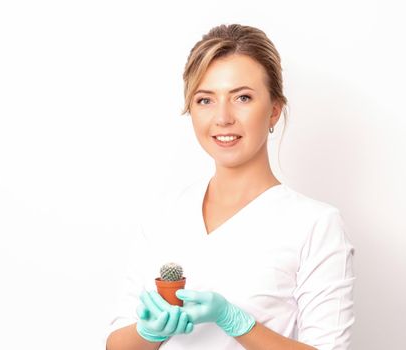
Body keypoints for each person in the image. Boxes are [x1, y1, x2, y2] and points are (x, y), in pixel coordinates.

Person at [105, 23, 355, 350]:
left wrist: (236, 321)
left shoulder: (315, 225)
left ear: (274, 111)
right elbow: (116, 344)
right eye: (205, 100)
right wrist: (149, 333)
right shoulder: (163, 214)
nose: (223, 117)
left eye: (242, 97)